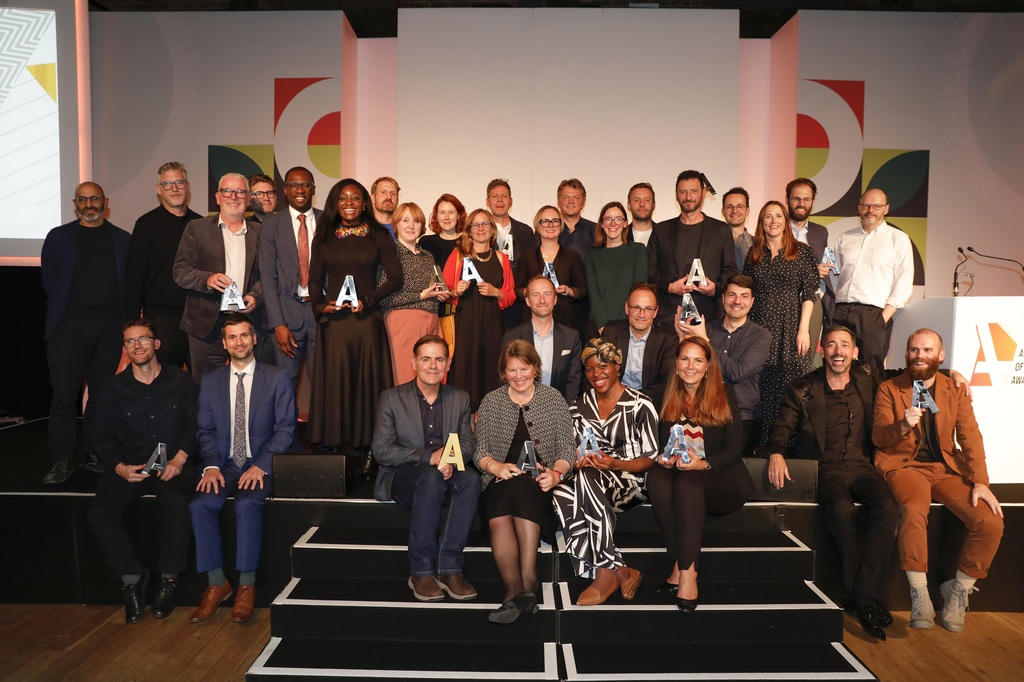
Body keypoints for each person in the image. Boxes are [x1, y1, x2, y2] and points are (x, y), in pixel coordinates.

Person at [766, 325, 900, 639]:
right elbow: (782, 427)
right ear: (821, 350)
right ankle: (867, 599)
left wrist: (953, 373)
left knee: (890, 509)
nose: (838, 351)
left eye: (844, 345)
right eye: (831, 345)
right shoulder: (802, 388)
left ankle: (861, 595)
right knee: (840, 510)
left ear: (855, 352)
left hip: (863, 467)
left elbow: (908, 371)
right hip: (826, 469)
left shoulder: (868, 377)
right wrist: (775, 453)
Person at [873, 328, 1003, 634]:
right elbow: (879, 438)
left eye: (927, 350)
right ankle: (920, 593)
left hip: (945, 468)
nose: (920, 356)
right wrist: (902, 425)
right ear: (906, 353)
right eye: (914, 350)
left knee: (990, 520)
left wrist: (981, 482)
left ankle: (957, 588)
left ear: (940, 356)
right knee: (914, 511)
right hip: (905, 466)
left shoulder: (953, 388)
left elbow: (970, 437)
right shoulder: (889, 389)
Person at [87, 319, 199, 623]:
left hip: (174, 466)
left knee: (177, 504)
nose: (137, 346)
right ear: (125, 349)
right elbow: (101, 435)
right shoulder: (112, 389)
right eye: (130, 342)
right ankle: (132, 581)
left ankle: (169, 582)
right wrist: (119, 467)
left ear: (156, 344)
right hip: (130, 467)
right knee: (99, 514)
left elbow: (195, 426)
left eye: (143, 339)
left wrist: (179, 459)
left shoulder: (182, 382)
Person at [189, 313, 295, 625]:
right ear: (224, 344)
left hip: (259, 462)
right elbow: (205, 431)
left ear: (254, 338)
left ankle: (246, 585)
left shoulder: (276, 377)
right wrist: (209, 465)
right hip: (222, 464)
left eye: (244, 336)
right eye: (232, 337)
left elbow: (286, 430)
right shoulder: (210, 381)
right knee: (200, 506)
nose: (239, 342)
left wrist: (261, 465)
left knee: (248, 504)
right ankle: (217, 582)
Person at [646, 336, 754, 612]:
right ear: (676, 364)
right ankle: (681, 564)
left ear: (708, 366)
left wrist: (703, 463)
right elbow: (659, 443)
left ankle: (687, 572)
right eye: (684, 359)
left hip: (722, 478)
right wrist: (663, 457)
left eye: (697, 360)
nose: (690, 366)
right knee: (657, 478)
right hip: (682, 472)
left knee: (689, 482)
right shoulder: (663, 394)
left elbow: (733, 449)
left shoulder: (724, 392)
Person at [371, 335, 481, 602]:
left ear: (448, 364)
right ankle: (420, 571)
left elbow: (468, 443)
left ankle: (449, 568)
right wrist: (427, 458)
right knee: (430, 478)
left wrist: (449, 459)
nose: (433, 365)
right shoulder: (391, 398)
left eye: (439, 359)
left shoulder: (460, 398)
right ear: (414, 363)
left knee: (472, 480)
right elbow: (381, 450)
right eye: (426, 359)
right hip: (404, 475)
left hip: (447, 470)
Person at [474, 340, 575, 623]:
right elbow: (478, 451)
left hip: (540, 483)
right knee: (501, 506)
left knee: (521, 489)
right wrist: (495, 466)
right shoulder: (491, 401)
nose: (518, 375)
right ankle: (522, 589)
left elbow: (568, 448)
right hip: (499, 480)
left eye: (524, 368)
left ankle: (518, 589)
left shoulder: (553, 399)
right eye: (511, 370)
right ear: (503, 372)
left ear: (535, 368)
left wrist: (555, 474)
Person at [552, 338, 657, 605]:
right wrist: (577, 461)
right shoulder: (577, 406)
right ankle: (618, 569)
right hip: (591, 480)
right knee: (561, 491)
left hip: (630, 480)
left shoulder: (640, 404)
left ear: (617, 366)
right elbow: (570, 450)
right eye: (589, 369)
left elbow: (651, 458)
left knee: (587, 480)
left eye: (603, 366)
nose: (596, 373)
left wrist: (615, 464)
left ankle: (603, 573)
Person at [41, 181, 131, 484]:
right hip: (67, 326)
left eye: (94, 199)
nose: (89, 204)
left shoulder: (123, 240)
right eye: (83, 199)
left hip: (108, 327)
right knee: (64, 396)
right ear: (74, 203)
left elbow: (129, 287)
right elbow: (49, 283)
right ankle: (63, 458)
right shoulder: (58, 238)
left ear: (105, 202)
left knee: (101, 396)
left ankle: (94, 452)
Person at [308, 179, 402, 457]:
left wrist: (369, 300)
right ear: (335, 204)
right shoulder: (324, 235)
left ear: (364, 203)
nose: (349, 203)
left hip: (366, 324)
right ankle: (334, 445)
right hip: (336, 325)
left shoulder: (378, 235)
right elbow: (313, 280)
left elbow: (395, 278)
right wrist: (320, 306)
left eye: (355, 198)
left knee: (366, 385)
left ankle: (367, 449)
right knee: (336, 383)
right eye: (343, 198)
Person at [742, 200, 820, 445]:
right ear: (761, 222)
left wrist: (803, 330)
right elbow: (746, 293)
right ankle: (763, 443)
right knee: (762, 386)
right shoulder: (753, 254)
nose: (773, 221)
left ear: (785, 221)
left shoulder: (802, 251)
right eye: (767, 216)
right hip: (759, 326)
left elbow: (809, 294)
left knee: (792, 385)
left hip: (791, 327)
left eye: (778, 216)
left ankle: (791, 444)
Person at [173, 173, 262, 382]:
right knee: (206, 388)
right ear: (218, 196)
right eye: (227, 191)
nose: (234, 196)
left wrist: (257, 296)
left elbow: (270, 276)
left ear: (248, 199)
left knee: (250, 386)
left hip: (248, 322)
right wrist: (207, 279)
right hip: (206, 326)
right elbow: (180, 270)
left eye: (240, 191)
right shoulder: (196, 228)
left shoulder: (262, 232)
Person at [676, 274, 771, 455]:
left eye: (744, 296)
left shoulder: (761, 336)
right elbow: (689, 370)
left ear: (752, 302)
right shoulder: (708, 328)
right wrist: (683, 341)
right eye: (732, 295)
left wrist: (704, 339)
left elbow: (737, 372)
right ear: (722, 298)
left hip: (742, 417)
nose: (737, 301)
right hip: (703, 412)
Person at [124, 161, 202, 370]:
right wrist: (132, 323)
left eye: (179, 182)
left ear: (187, 186)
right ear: (159, 190)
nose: (174, 188)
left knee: (203, 384)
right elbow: (134, 275)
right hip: (161, 319)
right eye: (168, 184)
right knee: (166, 384)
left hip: (197, 317)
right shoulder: (146, 225)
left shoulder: (200, 225)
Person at [833, 188, 913, 379]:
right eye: (866, 205)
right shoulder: (845, 238)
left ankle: (872, 409)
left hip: (872, 315)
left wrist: (882, 319)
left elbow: (904, 282)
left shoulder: (898, 239)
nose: (870, 210)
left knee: (869, 372)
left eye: (876, 206)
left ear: (886, 209)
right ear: (859, 207)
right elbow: (835, 276)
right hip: (840, 311)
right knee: (834, 367)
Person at [444, 208, 516, 411]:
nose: (481, 228)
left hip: (493, 326)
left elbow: (510, 296)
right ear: (469, 230)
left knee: (491, 377)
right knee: (464, 376)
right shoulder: (457, 257)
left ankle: (490, 433)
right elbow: (444, 293)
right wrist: (454, 291)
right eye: (476, 224)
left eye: (485, 224)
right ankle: (464, 435)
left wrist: (497, 292)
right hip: (464, 326)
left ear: (493, 230)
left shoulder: (502, 259)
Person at [257, 166, 322, 392]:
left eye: (305, 184)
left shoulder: (328, 222)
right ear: (285, 190)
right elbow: (267, 276)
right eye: (293, 185)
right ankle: (286, 430)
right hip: (286, 320)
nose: (300, 189)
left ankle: (322, 430)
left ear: (313, 189)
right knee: (284, 389)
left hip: (321, 318)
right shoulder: (271, 225)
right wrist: (278, 324)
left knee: (324, 389)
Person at [648, 170, 737, 327]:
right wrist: (669, 286)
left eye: (694, 191)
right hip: (669, 318)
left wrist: (715, 289)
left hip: (709, 317)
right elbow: (649, 270)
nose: (688, 197)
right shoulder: (661, 230)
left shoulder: (721, 230)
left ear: (703, 193)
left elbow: (730, 271)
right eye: (683, 192)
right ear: (676, 195)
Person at [380, 202, 448, 385]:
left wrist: (440, 294)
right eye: (405, 220)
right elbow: (383, 298)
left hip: (432, 321)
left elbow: (437, 286)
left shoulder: (428, 256)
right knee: (404, 380)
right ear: (396, 225)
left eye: (416, 221)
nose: (411, 226)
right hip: (403, 323)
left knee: (434, 381)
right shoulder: (389, 253)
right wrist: (420, 296)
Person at [502, 275, 582, 402]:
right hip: (520, 410)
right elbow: (506, 378)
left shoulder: (571, 337)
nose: (542, 300)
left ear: (555, 299)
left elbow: (574, 381)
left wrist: (562, 411)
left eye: (547, 294)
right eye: (536, 295)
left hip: (559, 412)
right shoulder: (512, 336)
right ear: (527, 301)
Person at [515, 205, 588, 338]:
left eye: (555, 221)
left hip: (564, 319)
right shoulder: (527, 257)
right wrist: (529, 291)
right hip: (532, 320)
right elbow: (517, 291)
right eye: (545, 221)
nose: (550, 225)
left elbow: (583, 291)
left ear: (560, 225)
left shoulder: (572, 256)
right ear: (538, 225)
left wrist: (568, 291)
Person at [602, 283, 677, 411]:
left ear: (655, 312)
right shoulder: (611, 332)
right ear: (627, 308)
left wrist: (631, 400)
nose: (642, 315)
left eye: (648, 309)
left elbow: (666, 382)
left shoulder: (668, 340)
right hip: (613, 403)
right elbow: (601, 372)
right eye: (636, 307)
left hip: (649, 404)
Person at [787, 178, 836, 348]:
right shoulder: (776, 228)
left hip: (814, 300)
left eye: (806, 199)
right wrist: (811, 270)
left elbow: (827, 265)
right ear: (787, 200)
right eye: (796, 199)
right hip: (782, 299)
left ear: (813, 202)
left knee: (806, 356)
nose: (801, 203)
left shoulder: (820, 232)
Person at [585, 201, 648, 331]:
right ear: (602, 224)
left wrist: (627, 324)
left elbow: (639, 290)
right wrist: (602, 324)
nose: (613, 224)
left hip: (628, 326)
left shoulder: (638, 250)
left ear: (625, 223)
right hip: (599, 325)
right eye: (608, 219)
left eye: (618, 219)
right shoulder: (592, 254)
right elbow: (593, 293)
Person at [419, 194, 466, 358]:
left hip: (461, 314)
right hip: (433, 311)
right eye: (442, 212)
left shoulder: (468, 244)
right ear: (436, 216)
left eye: (451, 212)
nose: (447, 217)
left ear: (459, 215)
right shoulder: (426, 243)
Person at [485, 178, 535, 329]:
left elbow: (531, 267)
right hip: (488, 300)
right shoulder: (479, 231)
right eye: (495, 196)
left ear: (511, 201)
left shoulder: (525, 232)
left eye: (504, 196)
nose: (500, 200)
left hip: (517, 302)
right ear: (487, 201)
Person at [556, 178, 597, 260]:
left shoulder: (595, 230)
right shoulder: (548, 230)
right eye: (565, 197)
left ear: (583, 202)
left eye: (576, 198)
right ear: (558, 202)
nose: (571, 201)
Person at [721, 187, 754, 271]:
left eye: (739, 206)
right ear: (723, 212)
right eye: (729, 207)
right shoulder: (713, 243)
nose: (735, 211)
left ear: (747, 211)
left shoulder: (758, 245)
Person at [626, 182, 656, 248]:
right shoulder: (621, 236)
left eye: (647, 200)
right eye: (636, 200)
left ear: (654, 205)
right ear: (629, 206)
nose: (642, 204)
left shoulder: (664, 235)